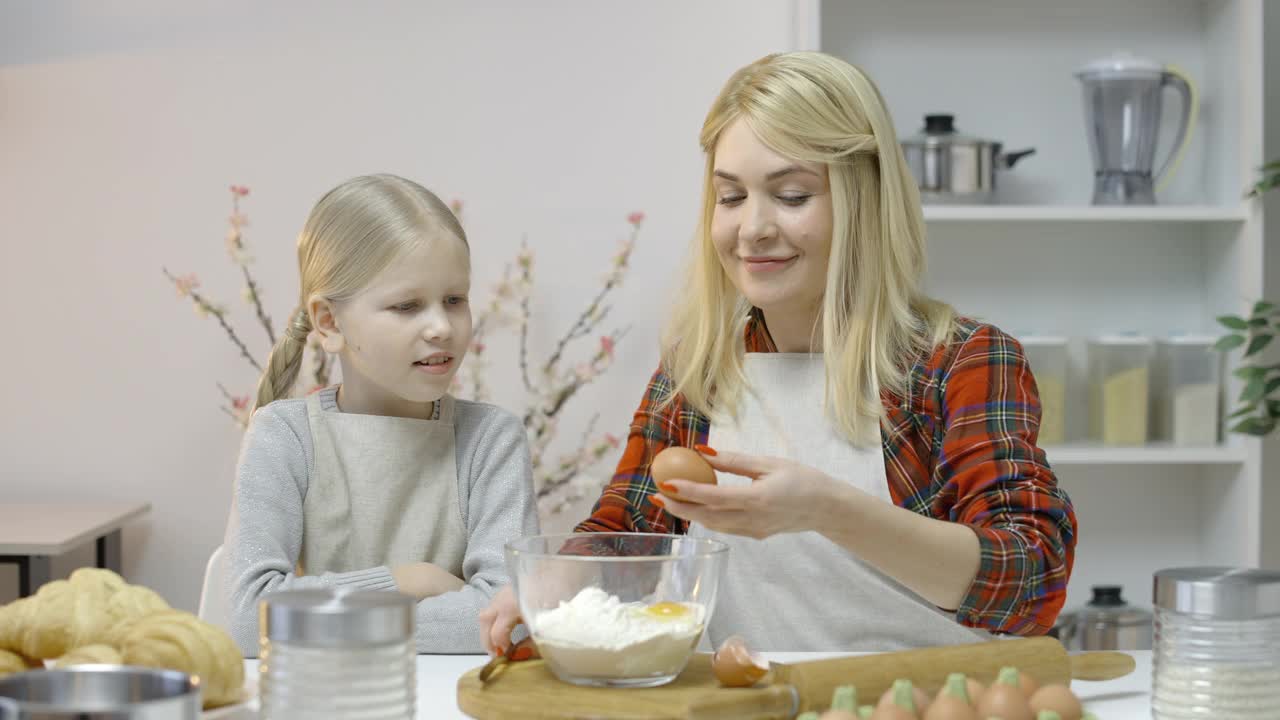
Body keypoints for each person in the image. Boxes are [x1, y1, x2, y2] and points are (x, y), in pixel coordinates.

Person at [481, 53, 1076, 654]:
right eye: (731, 197)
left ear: (862, 201)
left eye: (791, 195)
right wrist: (561, 577)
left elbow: (1031, 583)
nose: (752, 228)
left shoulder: (961, 362)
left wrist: (826, 509)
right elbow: (629, 530)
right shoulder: (701, 367)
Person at [223, 174, 537, 655]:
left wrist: (319, 616)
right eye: (407, 305)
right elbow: (248, 621)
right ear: (329, 322)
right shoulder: (283, 436)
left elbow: (506, 623)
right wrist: (405, 580)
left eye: (455, 300)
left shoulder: (492, 439)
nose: (441, 327)